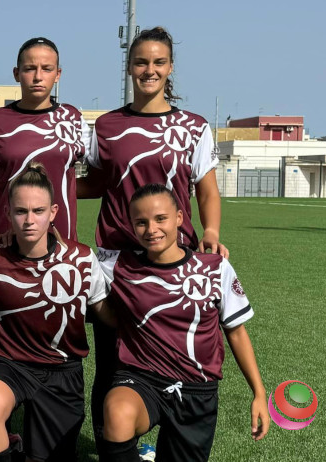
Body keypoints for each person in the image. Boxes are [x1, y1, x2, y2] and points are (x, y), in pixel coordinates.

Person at [78, 27, 228, 443]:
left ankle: (169, 440)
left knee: (174, 364)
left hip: (173, 264)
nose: (150, 70)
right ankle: (115, 445)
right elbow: (95, 184)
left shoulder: (194, 127)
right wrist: (45, 187)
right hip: (116, 264)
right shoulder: (107, 125)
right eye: (141, 62)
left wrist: (211, 230)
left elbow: (206, 190)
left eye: (159, 62)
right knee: (112, 365)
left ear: (170, 67)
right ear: (129, 67)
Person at [0, 163, 111, 462]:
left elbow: (105, 312)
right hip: (5, 361)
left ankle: (19, 445)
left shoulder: (82, 259)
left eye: (38, 211)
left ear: (53, 212)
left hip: (62, 369)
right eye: (21, 211)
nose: (29, 220)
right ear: (8, 213)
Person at [97, 184, 268, 462]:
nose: (151, 229)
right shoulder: (119, 266)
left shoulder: (215, 268)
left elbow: (236, 332)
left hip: (196, 390)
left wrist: (258, 392)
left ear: (179, 218)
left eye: (160, 219)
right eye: (141, 222)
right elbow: (71, 257)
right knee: (118, 411)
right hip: (142, 379)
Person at [0, 37, 90, 242]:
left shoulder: (73, 118)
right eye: (30, 68)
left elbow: (101, 177)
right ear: (17, 73)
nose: (38, 77)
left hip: (60, 244)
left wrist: (64, 190)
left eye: (47, 69)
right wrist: (0, 197)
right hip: (3, 243)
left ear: (58, 74)